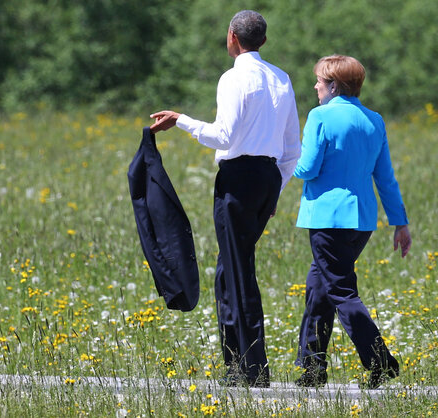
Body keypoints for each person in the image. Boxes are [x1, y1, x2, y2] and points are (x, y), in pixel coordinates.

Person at [150, 10, 301, 387]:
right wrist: (275, 190)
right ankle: (238, 363)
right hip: (267, 177)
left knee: (236, 272)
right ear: (262, 41)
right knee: (228, 271)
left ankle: (252, 369)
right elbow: (292, 150)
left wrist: (180, 120)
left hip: (239, 179)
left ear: (232, 36)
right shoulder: (281, 78)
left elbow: (223, 137)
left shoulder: (234, 78)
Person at [291, 54, 412, 389]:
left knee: (341, 291)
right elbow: (385, 178)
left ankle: (381, 361)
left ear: (333, 85)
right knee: (319, 287)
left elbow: (308, 168)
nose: (315, 86)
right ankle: (311, 367)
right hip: (361, 221)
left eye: (319, 80)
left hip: (328, 219)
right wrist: (399, 222)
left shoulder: (321, 116)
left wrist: (282, 159)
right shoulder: (374, 120)